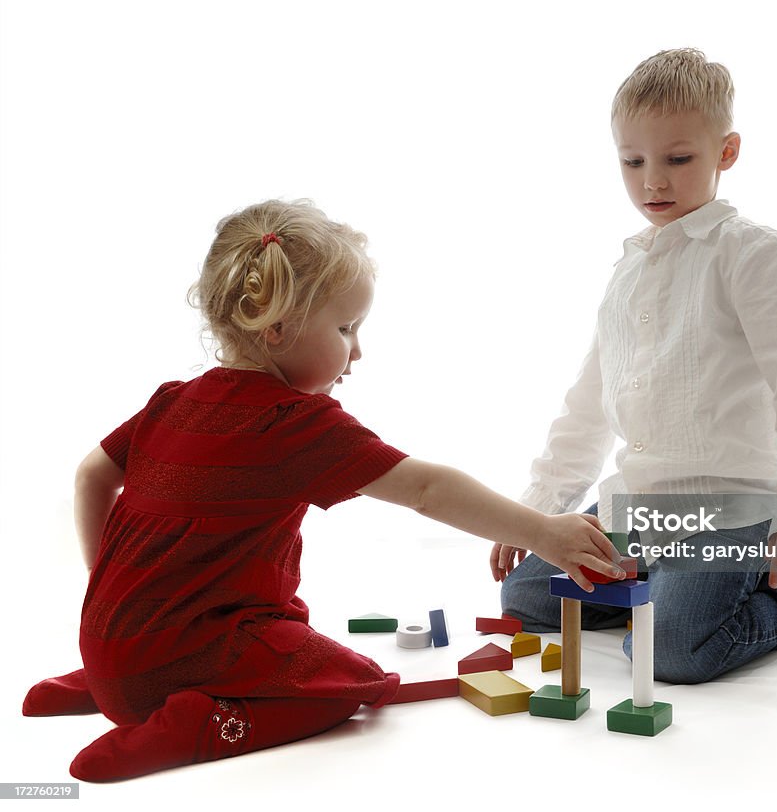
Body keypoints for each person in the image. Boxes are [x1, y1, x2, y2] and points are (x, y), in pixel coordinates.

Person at [22, 199, 624, 782]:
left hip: (109, 647)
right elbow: (425, 488)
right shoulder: (294, 423)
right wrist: (544, 531)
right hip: (172, 661)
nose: (356, 351)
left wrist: (116, 590)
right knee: (353, 685)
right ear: (278, 328)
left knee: (282, 619)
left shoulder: (172, 401)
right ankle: (196, 724)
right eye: (344, 328)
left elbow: (90, 475)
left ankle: (111, 678)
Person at [493, 48, 777, 685]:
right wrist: (539, 509)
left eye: (678, 159)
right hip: (643, 508)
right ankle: (682, 585)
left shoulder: (757, 254)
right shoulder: (627, 272)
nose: (653, 181)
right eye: (633, 161)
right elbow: (588, 404)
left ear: (725, 153)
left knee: (670, 652)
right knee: (530, 598)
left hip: (731, 509)